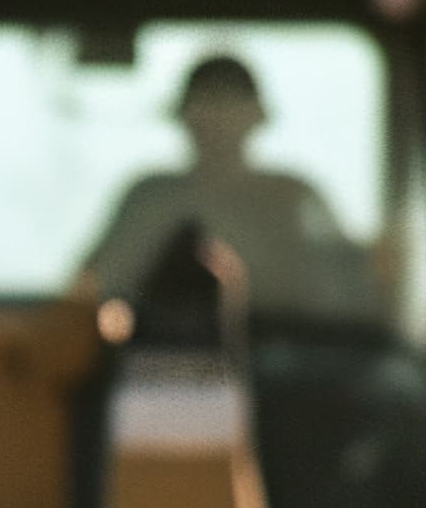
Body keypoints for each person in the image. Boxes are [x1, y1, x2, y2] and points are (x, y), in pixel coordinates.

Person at [74, 51, 362, 316]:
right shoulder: (149, 198)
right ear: (184, 116)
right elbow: (89, 293)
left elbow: (348, 298)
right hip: (153, 355)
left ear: (256, 116)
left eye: (228, 102)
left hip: (286, 360)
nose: (215, 117)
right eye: (204, 102)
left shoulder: (292, 199)